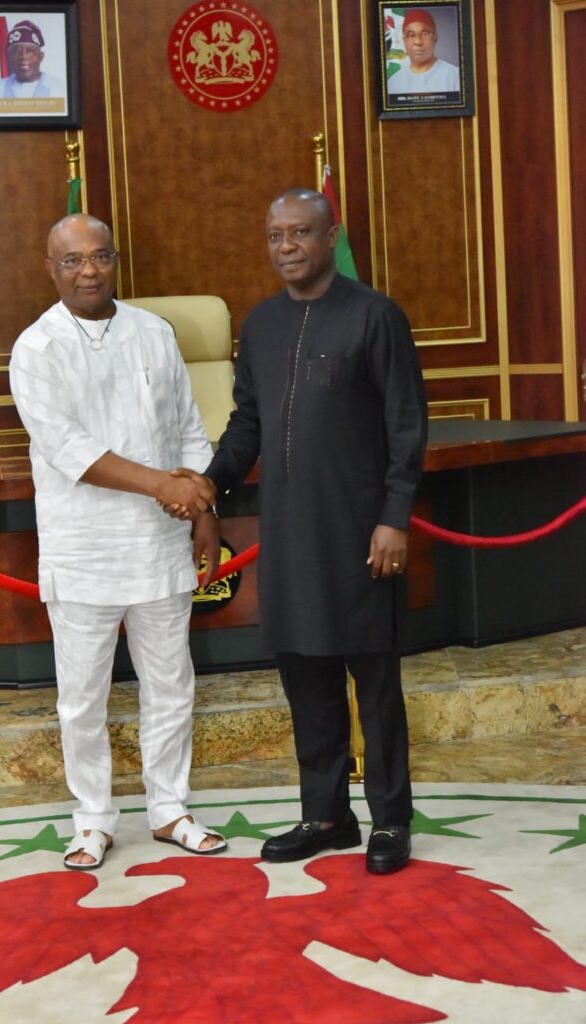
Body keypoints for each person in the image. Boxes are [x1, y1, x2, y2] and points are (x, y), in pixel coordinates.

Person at [168, 189, 427, 874]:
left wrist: (392, 517)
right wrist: (207, 485)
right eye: (275, 235)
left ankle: (390, 819)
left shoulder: (375, 317)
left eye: (300, 234)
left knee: (372, 682)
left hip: (360, 532)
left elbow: (406, 428)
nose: (285, 246)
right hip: (287, 536)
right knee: (304, 675)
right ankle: (325, 814)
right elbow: (247, 423)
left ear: (329, 236)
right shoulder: (260, 326)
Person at [9, 213, 224, 869]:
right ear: (51, 270)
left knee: (170, 683)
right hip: (84, 550)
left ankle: (169, 810)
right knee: (82, 698)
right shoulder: (36, 349)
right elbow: (72, 452)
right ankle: (93, 819)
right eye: (72, 261)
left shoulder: (153, 333)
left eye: (99, 256)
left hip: (160, 543)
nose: (89, 271)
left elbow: (188, 429)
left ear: (115, 260)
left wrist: (203, 514)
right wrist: (165, 485)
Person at [387, 8, 460, 95]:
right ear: (404, 40)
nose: (418, 42)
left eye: (425, 34)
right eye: (411, 35)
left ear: (435, 38)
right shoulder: (393, 82)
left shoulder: (456, 77)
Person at [0, 20, 66, 99]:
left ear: (41, 56)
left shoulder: (60, 88)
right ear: (8, 57)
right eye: (16, 51)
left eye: (29, 51)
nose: (23, 56)